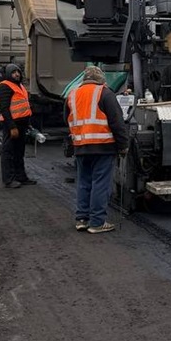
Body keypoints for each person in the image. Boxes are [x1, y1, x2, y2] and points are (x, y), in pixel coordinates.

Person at [66, 64, 130, 234]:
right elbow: (117, 122)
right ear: (101, 79)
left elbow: (67, 119)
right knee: (100, 184)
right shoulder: (105, 93)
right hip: (103, 147)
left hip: (80, 146)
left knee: (84, 183)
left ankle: (82, 219)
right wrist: (123, 145)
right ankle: (97, 222)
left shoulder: (72, 95)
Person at [0, 63, 36, 189]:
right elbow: (5, 109)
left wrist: (28, 124)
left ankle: (21, 177)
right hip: (11, 124)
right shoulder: (5, 87)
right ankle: (8, 180)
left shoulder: (20, 86)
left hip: (21, 124)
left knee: (19, 152)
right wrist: (12, 127)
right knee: (8, 152)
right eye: (13, 72)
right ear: (8, 74)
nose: (17, 74)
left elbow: (24, 106)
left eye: (18, 72)